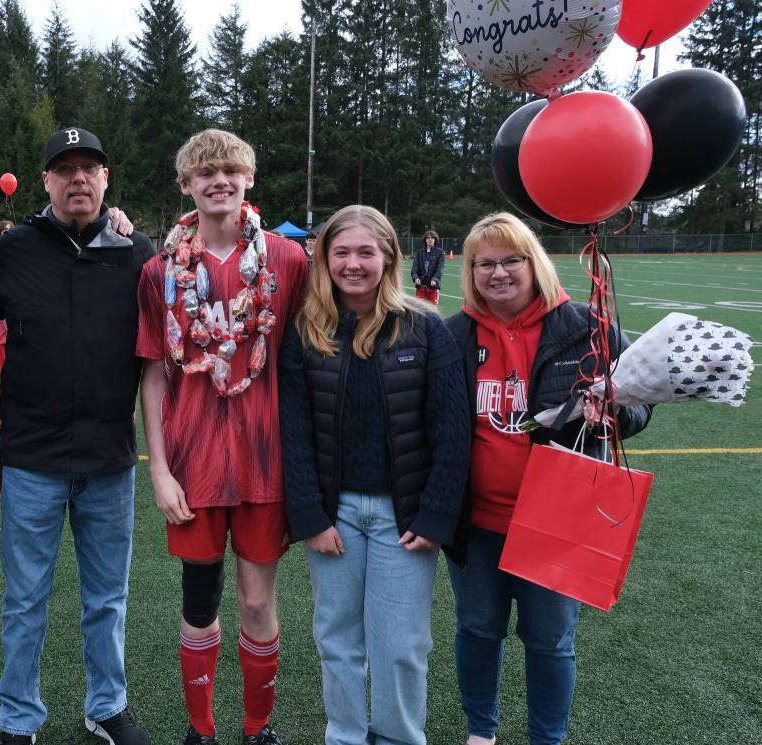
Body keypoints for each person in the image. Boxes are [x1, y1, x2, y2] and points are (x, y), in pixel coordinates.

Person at [444, 212, 652, 745]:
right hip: (478, 522)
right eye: (483, 263)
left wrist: (614, 413)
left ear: (532, 262)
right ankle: (481, 733)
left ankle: (546, 739)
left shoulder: (587, 325)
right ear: (470, 272)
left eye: (510, 259)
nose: (498, 273)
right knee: (476, 630)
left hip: (557, 521)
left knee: (549, 641)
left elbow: (641, 406)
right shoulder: (455, 334)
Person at [137, 129, 309, 745]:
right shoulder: (160, 272)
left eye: (231, 170)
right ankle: (201, 730)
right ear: (186, 185)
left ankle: (257, 728)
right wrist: (159, 469)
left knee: (258, 605)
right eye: (205, 172)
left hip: (267, 462)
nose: (220, 180)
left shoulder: (289, 262)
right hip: (194, 464)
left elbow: (305, 358)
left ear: (249, 180)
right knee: (200, 602)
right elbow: (154, 373)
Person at [278, 205, 470, 745]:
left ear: (388, 257)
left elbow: (451, 433)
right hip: (334, 515)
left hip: (402, 519)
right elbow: (293, 432)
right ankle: (344, 735)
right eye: (341, 252)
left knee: (401, 645)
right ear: (324, 258)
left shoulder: (426, 329)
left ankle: (400, 737)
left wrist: (435, 515)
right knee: (337, 640)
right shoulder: (305, 330)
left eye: (366, 252)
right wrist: (310, 516)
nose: (353, 264)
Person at [0, 127, 155, 745]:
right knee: (25, 601)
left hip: (110, 458)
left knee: (107, 599)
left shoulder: (137, 254)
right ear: (46, 182)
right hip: (32, 458)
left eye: (90, 168)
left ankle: (105, 706)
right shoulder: (13, 251)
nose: (79, 178)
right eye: (66, 169)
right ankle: (18, 718)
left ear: (106, 179)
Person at [411, 230, 444, 304]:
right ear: (425, 240)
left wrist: (435, 279)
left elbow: (440, 268)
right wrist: (415, 278)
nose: (430, 239)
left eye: (432, 238)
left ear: (435, 240)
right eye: (428, 238)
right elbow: (414, 268)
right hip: (421, 286)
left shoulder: (440, 253)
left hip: (433, 287)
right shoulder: (419, 252)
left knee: (432, 311)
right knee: (419, 310)